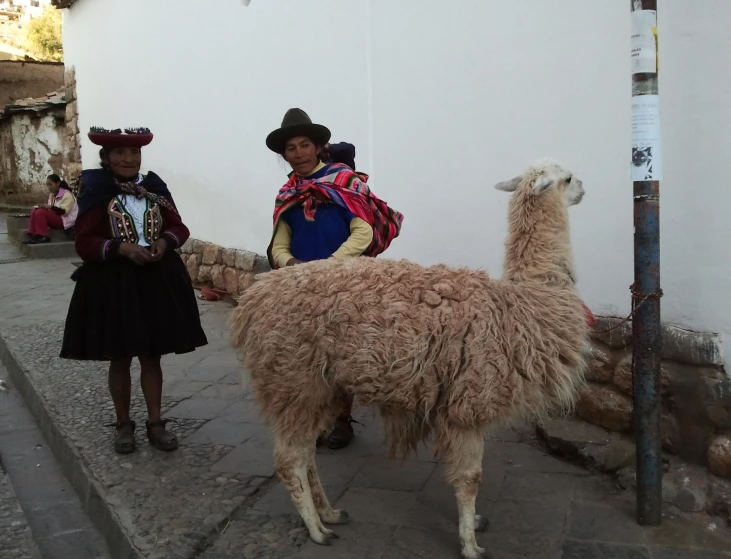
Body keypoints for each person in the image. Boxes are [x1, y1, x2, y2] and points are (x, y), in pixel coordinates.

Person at [60, 126, 208, 455]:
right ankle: (123, 423)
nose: (129, 159)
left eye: (134, 153)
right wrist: (122, 249)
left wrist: (164, 241)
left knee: (152, 355)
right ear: (107, 158)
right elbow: (84, 242)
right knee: (120, 355)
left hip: (156, 280)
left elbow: (179, 226)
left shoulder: (153, 188)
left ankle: (156, 422)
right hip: (115, 284)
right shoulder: (97, 191)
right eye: (120, 153)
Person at [266, 108, 404, 449]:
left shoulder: (344, 182)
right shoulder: (289, 193)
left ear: (317, 147)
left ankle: (343, 419)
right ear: (284, 154)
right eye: (291, 148)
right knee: (308, 355)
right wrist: (291, 263)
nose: (298, 153)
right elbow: (278, 243)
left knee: (343, 354)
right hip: (301, 285)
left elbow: (363, 232)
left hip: (344, 283)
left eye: (304, 145)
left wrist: (329, 265)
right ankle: (316, 417)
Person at [25, 174, 78, 244]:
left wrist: (50, 207)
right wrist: (45, 207)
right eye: (47, 185)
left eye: (50, 184)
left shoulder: (67, 195)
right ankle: (32, 233)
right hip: (58, 218)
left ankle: (43, 235)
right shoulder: (52, 195)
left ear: (58, 183)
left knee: (41, 212)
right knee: (35, 210)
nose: (49, 187)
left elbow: (64, 212)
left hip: (66, 221)